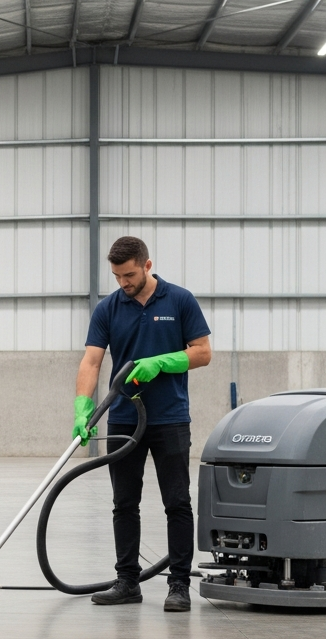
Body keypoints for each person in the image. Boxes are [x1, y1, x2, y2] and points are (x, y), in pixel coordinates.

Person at [73, 236, 212, 613]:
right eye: (117, 276)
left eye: (129, 274)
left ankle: (179, 585)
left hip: (169, 418)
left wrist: (162, 362)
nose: (123, 282)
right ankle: (127, 582)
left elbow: (203, 352)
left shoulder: (180, 300)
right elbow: (91, 361)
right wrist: (82, 406)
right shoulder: (108, 309)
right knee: (123, 503)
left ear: (147, 265)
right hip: (122, 418)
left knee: (177, 502)